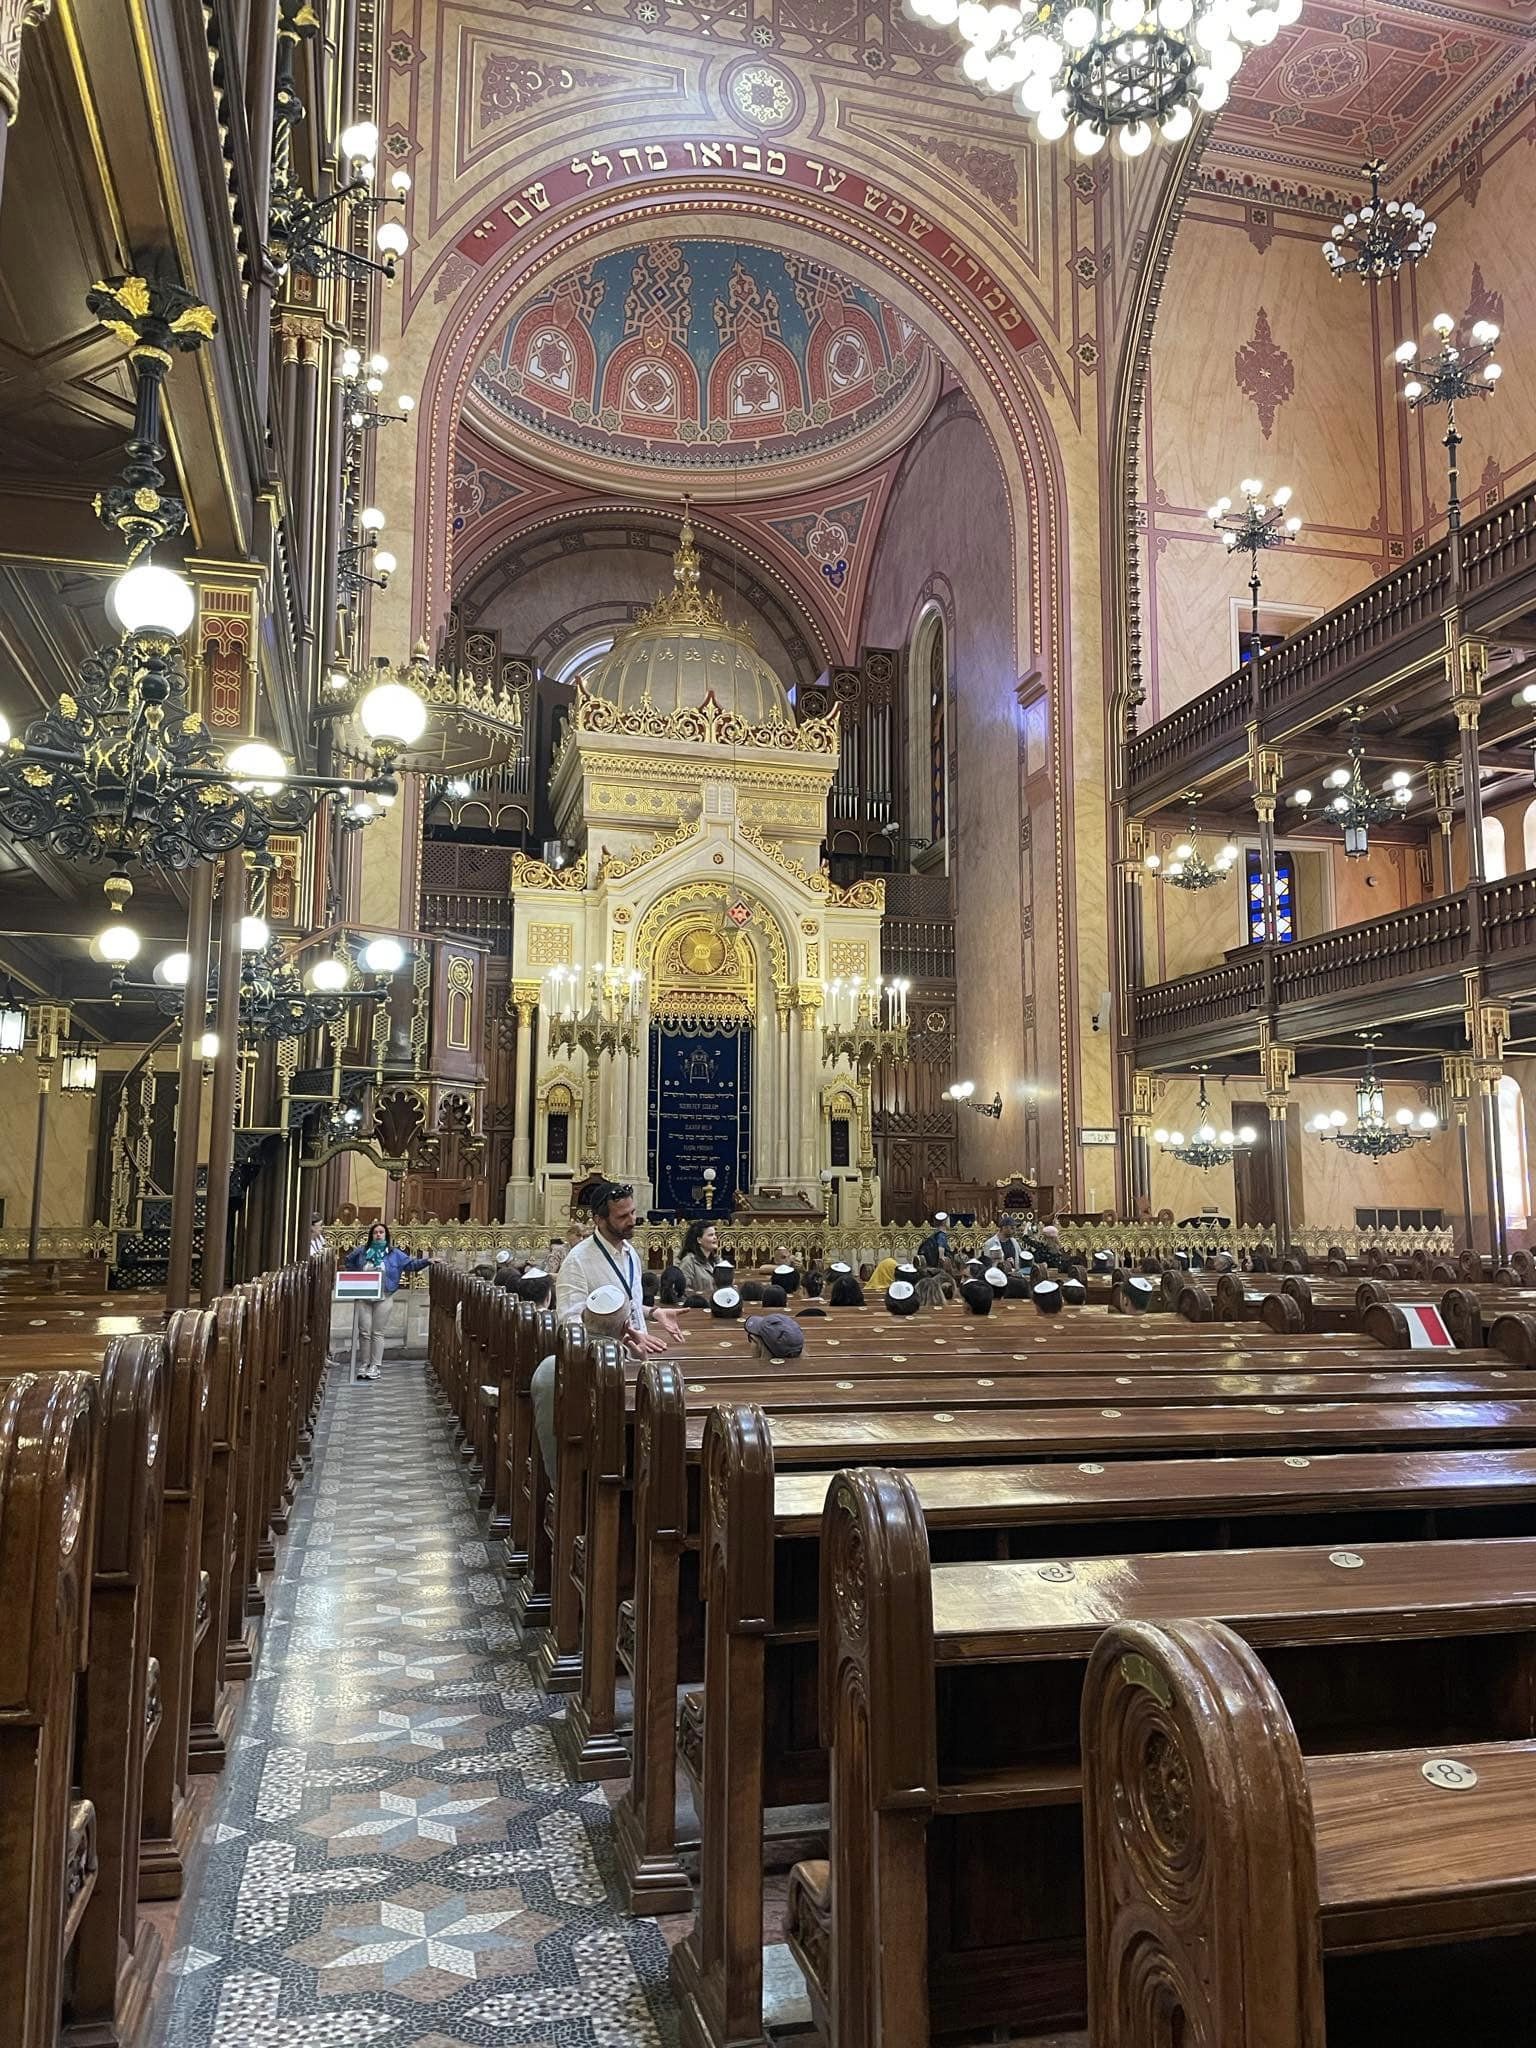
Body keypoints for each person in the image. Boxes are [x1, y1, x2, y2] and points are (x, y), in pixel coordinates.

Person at [530, 1183, 685, 1476]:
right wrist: (617, 1333)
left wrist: (653, 1312)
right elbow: (571, 1326)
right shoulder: (578, 1262)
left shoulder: (631, 1254)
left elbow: (626, 1303)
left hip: (637, 1360)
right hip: (602, 1369)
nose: (632, 1221)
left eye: (633, 1212)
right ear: (599, 1220)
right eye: (622, 1216)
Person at [343, 1222, 430, 1379]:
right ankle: (364, 1363)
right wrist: (356, 1277)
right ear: (371, 1235)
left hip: (384, 1295)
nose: (378, 1235)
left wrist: (428, 1261)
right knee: (364, 1331)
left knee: (377, 1331)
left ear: (386, 1235)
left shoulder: (394, 1253)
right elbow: (348, 1261)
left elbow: (411, 1265)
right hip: (364, 1297)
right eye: (375, 1232)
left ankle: (375, 1365)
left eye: (381, 1232)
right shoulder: (362, 1251)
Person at [679, 1218, 722, 1300]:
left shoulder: (718, 1260)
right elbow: (684, 1290)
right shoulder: (689, 1261)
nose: (715, 1238)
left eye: (715, 1234)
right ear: (699, 1240)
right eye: (710, 1235)